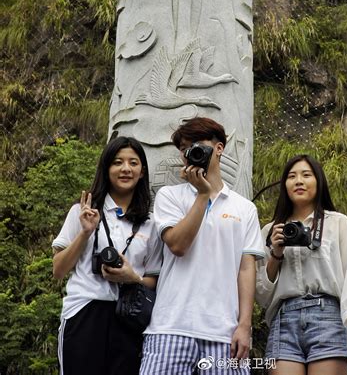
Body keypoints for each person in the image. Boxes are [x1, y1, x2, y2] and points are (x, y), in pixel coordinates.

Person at [139, 117, 265, 375]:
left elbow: (246, 269)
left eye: (197, 144)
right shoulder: (169, 196)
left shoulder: (244, 208)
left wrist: (244, 325)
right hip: (171, 326)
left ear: (219, 148)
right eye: (184, 148)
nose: (190, 152)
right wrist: (203, 195)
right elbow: (178, 245)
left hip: (224, 332)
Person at [52, 136, 162, 375]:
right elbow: (58, 270)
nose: (125, 169)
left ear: (142, 171)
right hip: (84, 312)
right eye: (117, 162)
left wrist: (131, 276)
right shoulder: (81, 212)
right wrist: (85, 232)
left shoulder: (150, 223)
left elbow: (153, 280)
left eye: (133, 163)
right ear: (106, 168)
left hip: (129, 317)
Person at [256, 154, 347, 375]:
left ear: (318, 181)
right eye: (292, 176)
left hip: (328, 317)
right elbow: (261, 295)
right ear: (285, 185)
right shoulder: (271, 231)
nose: (298, 181)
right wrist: (276, 253)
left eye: (306, 175)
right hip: (283, 320)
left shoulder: (337, 223)